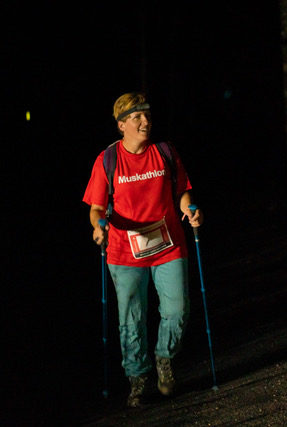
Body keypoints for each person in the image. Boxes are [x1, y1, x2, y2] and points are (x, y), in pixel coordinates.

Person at [83, 92, 202, 407]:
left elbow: (182, 192)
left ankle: (164, 358)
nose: (145, 122)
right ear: (122, 125)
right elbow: (96, 208)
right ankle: (137, 380)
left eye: (147, 115)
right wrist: (98, 226)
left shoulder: (164, 152)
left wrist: (189, 209)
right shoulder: (107, 160)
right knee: (132, 319)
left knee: (178, 310)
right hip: (125, 252)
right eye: (137, 117)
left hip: (169, 245)